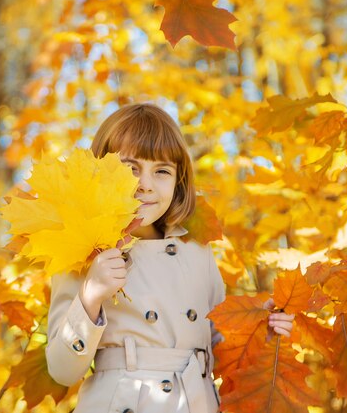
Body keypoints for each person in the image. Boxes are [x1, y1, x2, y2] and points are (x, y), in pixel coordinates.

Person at [45, 103, 295, 413]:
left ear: (178, 181)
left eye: (161, 170)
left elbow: (220, 346)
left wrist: (261, 331)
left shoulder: (196, 251)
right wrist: (91, 294)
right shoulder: (82, 251)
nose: (145, 184)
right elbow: (62, 370)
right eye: (130, 168)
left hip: (195, 402)